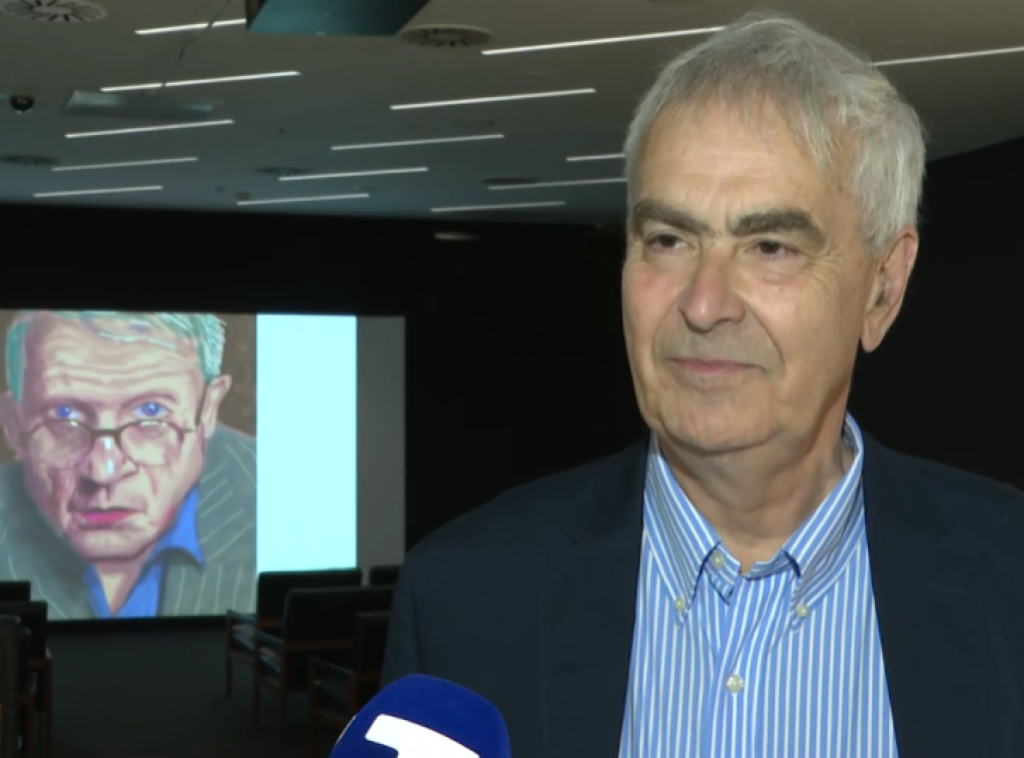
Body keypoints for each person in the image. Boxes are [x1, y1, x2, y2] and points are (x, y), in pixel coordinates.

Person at [382, 12, 1024, 758]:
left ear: (883, 287)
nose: (703, 303)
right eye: (668, 240)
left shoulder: (1008, 584)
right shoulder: (463, 600)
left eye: (771, 246)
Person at [0, 310, 256, 619]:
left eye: (151, 412)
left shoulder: (283, 501)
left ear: (208, 410)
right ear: (12, 423)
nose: (103, 471)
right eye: (64, 415)